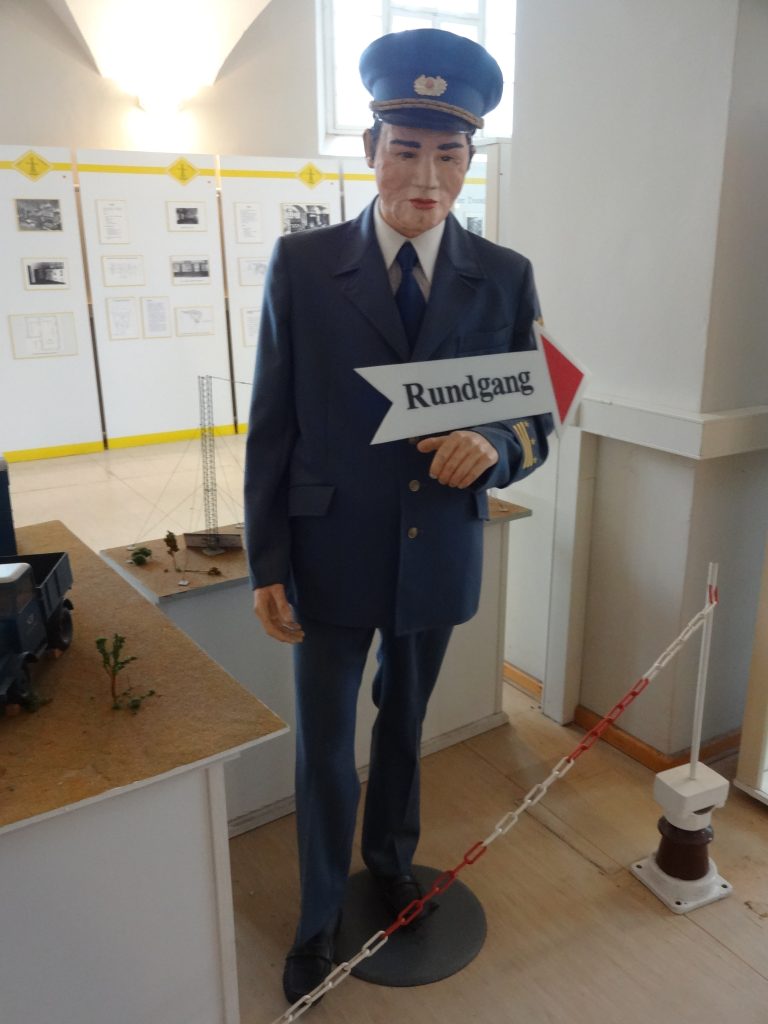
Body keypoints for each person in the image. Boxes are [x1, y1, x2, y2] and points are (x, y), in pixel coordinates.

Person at [244, 27, 551, 1004]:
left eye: (448, 154)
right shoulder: (304, 265)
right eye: (406, 149)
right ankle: (317, 917)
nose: (426, 177)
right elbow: (273, 421)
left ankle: (390, 864)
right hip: (329, 548)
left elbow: (535, 411)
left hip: (438, 549)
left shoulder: (502, 274)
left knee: (407, 724)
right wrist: (265, 561)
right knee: (325, 744)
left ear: (469, 159)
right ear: (371, 147)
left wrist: (494, 445)